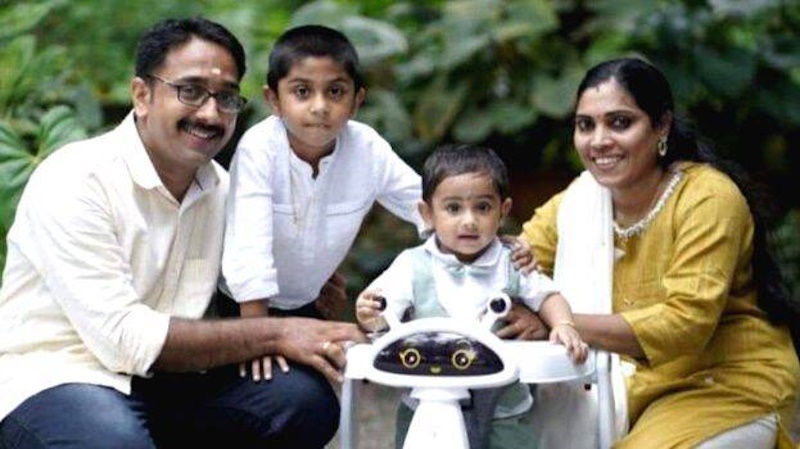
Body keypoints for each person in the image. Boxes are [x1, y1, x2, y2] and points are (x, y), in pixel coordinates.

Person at [0, 17, 365, 449]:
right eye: (190, 91)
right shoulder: (76, 178)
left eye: (226, 97)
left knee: (300, 401)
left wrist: (307, 285)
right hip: (61, 377)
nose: (210, 114)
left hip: (173, 384)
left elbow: (252, 284)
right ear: (142, 95)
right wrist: (281, 332)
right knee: (113, 442)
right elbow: (125, 340)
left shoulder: (227, 191)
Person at [519, 57, 800, 448]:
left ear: (661, 126)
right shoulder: (579, 203)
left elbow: (685, 322)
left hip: (729, 385)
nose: (599, 140)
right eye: (585, 125)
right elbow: (513, 264)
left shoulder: (706, 198)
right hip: (634, 391)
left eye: (620, 122)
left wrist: (558, 321)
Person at [356, 144, 588, 449]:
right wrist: (370, 315)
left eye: (482, 208)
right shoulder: (412, 266)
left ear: (503, 211)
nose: (469, 221)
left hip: (502, 404)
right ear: (427, 214)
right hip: (428, 399)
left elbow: (547, 296)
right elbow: (383, 313)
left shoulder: (512, 261)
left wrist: (563, 325)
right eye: (453, 209)